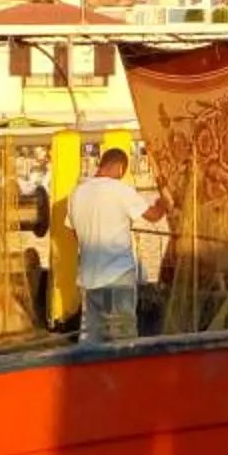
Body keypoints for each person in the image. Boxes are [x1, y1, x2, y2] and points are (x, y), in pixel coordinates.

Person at [66, 146, 162, 343]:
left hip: (89, 279)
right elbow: (153, 216)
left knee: (92, 338)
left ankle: (91, 372)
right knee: (123, 338)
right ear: (120, 168)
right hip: (117, 277)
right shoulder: (121, 191)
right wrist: (165, 204)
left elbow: (72, 230)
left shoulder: (77, 193)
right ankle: (125, 372)